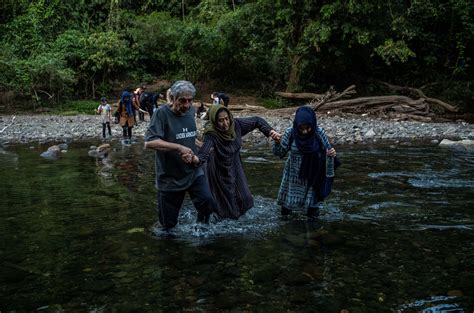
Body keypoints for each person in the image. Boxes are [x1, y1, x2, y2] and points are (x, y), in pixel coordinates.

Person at [184, 105, 281, 219]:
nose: (225, 123)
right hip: (218, 169)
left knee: (245, 198)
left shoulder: (237, 125)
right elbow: (203, 155)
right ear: (214, 121)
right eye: (220, 120)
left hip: (235, 165)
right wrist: (194, 159)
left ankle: (241, 223)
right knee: (225, 204)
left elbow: (257, 120)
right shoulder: (212, 134)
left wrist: (271, 131)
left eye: (226, 119)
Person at [144, 80, 216, 230]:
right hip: (170, 176)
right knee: (168, 225)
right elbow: (150, 143)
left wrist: (202, 146)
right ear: (173, 98)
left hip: (193, 170)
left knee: (207, 202)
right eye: (182, 101)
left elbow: (187, 136)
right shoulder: (161, 113)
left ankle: (201, 231)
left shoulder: (190, 111)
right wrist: (178, 148)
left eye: (190, 100)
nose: (187, 105)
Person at [272, 105, 338, 218]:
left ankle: (312, 232)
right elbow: (280, 153)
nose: (304, 131)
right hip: (293, 176)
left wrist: (331, 154)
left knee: (312, 210)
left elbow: (328, 151)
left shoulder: (318, 133)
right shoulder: (291, 133)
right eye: (301, 128)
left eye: (308, 128)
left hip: (312, 175)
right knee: (286, 211)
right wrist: (277, 142)